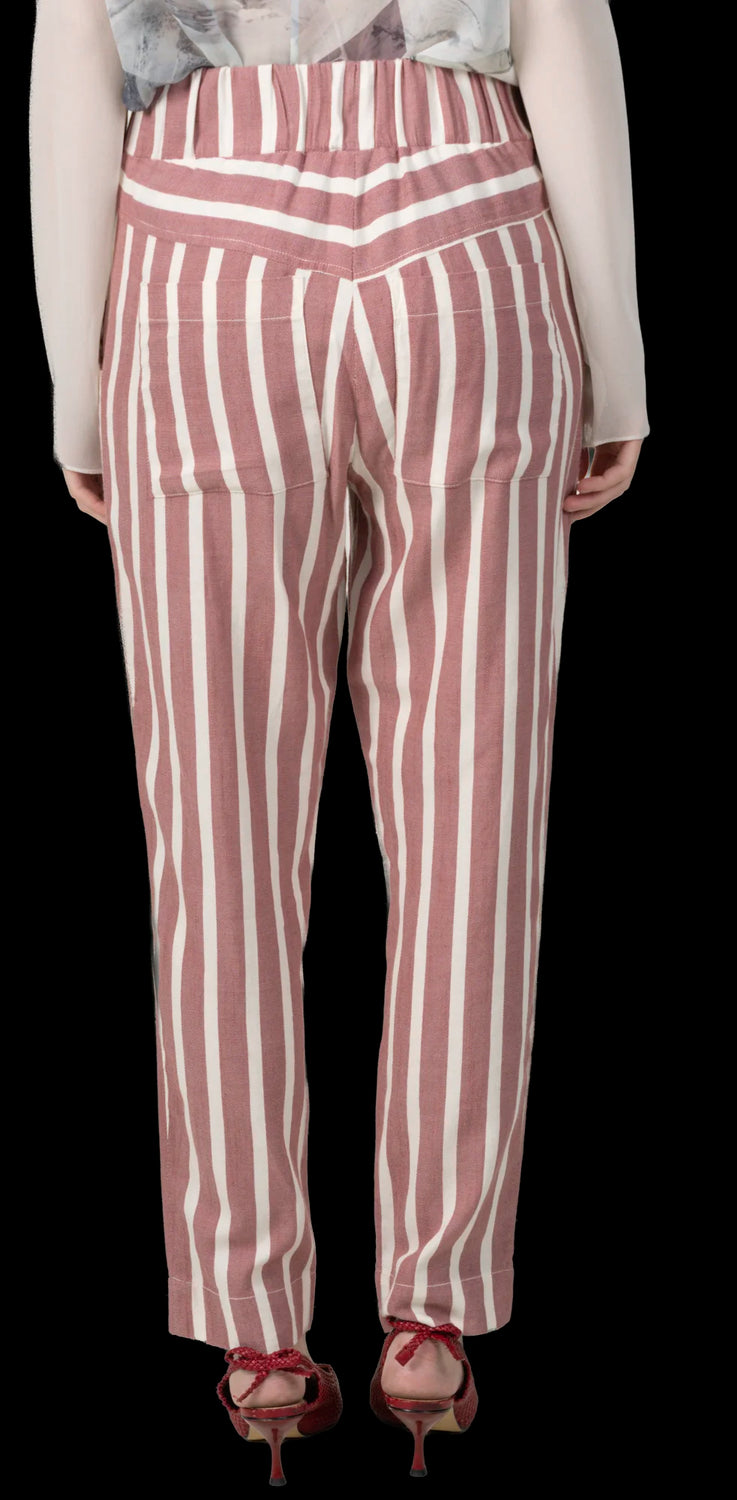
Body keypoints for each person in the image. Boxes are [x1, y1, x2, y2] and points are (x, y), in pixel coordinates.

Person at [29, 0, 648, 1482]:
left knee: (216, 816)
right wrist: (617, 364)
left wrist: (77, 384)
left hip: (202, 237)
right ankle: (431, 1317)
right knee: (476, 797)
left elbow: (74, 60)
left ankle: (256, 1333)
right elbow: (559, 32)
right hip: (464, 222)